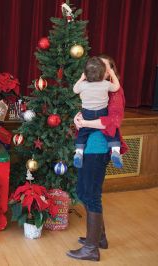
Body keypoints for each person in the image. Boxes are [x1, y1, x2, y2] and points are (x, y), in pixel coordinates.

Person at [67, 55, 127, 261]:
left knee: (90, 193)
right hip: (90, 147)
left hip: (99, 148)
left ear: (110, 71)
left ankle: (92, 249)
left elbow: (112, 121)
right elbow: (89, 110)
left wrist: (84, 123)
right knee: (84, 191)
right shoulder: (98, 88)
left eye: (105, 67)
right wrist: (78, 118)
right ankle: (99, 237)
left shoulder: (115, 92)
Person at [73, 57, 123, 169]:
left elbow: (75, 89)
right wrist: (112, 74)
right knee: (112, 133)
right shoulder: (105, 84)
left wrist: (81, 78)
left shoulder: (83, 85)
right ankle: (115, 151)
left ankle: (78, 153)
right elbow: (116, 87)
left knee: (82, 133)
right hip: (101, 112)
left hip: (87, 113)